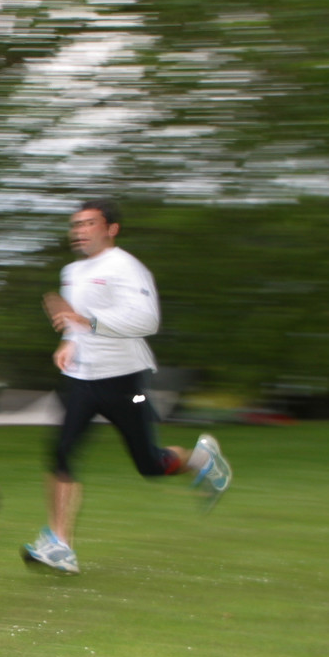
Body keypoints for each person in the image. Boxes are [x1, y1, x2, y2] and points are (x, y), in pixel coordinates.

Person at [23, 200, 231, 574]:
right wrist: (69, 341)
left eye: (89, 223)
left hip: (125, 380)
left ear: (111, 228)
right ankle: (60, 544)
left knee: (148, 463)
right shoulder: (71, 270)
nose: (80, 231)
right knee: (61, 453)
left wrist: (86, 321)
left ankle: (201, 458)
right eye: (76, 225)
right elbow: (76, 322)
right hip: (81, 379)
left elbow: (147, 320)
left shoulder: (127, 267)